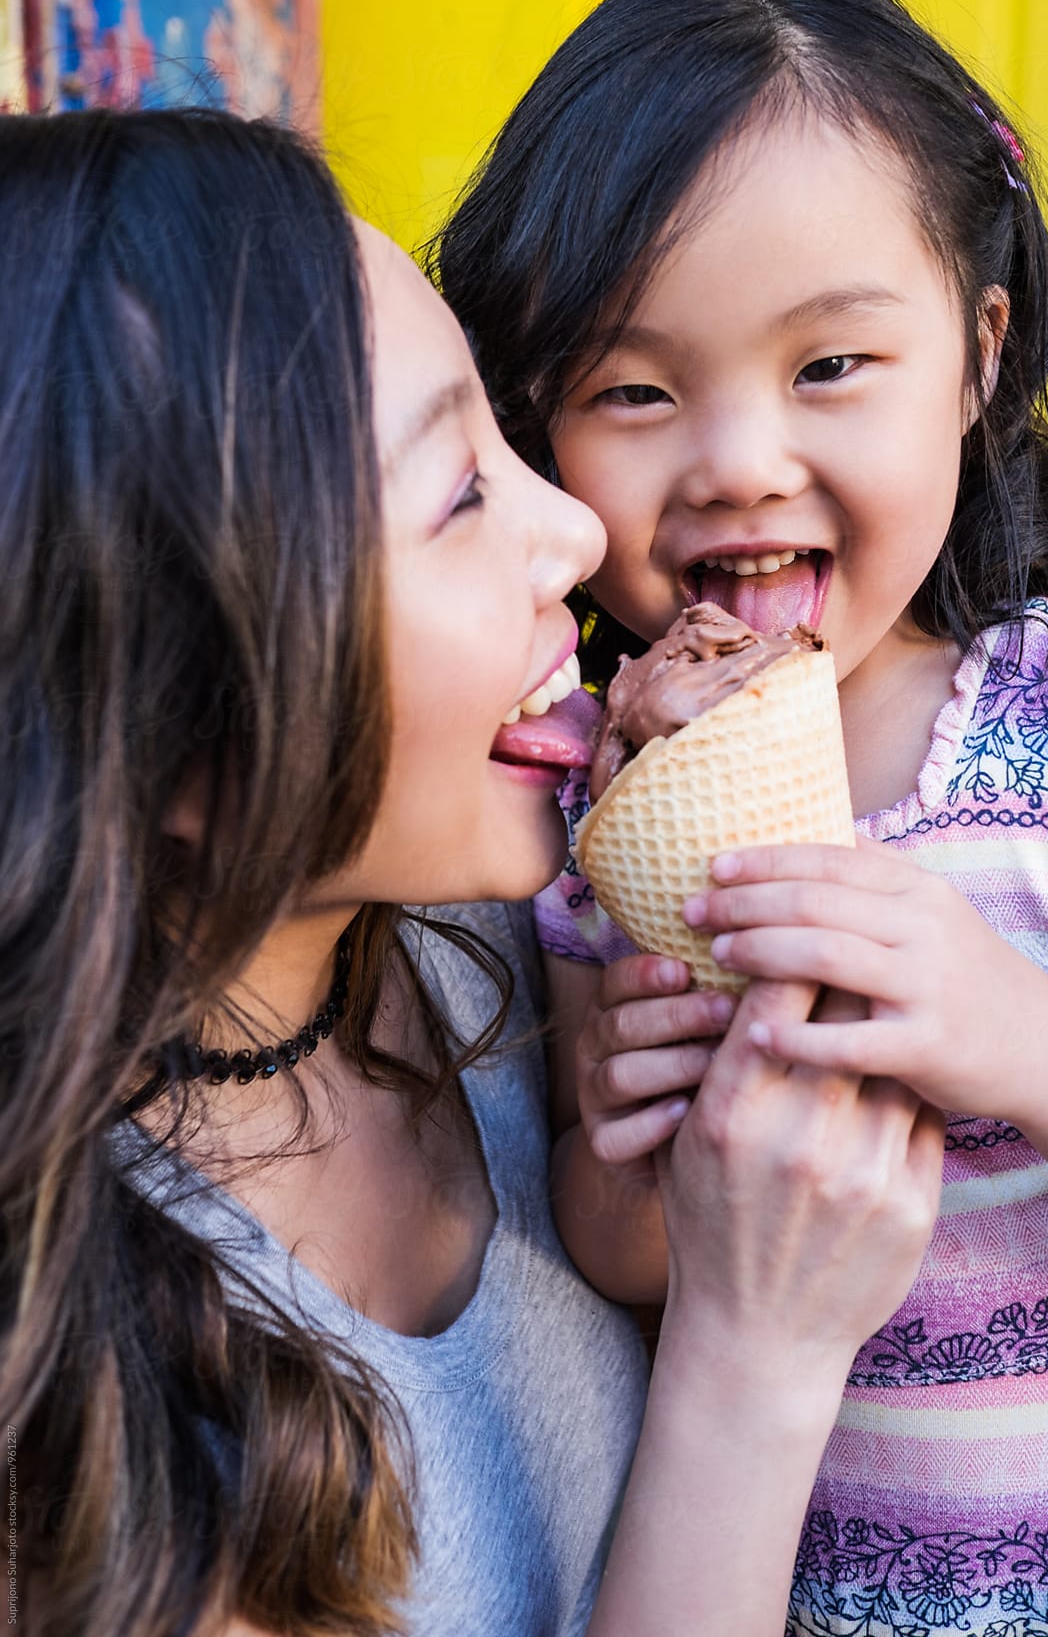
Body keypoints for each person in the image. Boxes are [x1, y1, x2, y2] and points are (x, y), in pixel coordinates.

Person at [0, 106, 943, 1637]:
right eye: (458, 494)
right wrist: (757, 1358)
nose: (578, 531)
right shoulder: (66, 1421)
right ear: (172, 713)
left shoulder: (521, 938)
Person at [433, 0, 1048, 1633]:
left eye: (829, 368)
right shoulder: (587, 819)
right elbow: (628, 1265)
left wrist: (1019, 1033)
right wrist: (636, 1161)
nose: (737, 460)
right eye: (634, 390)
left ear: (980, 353)